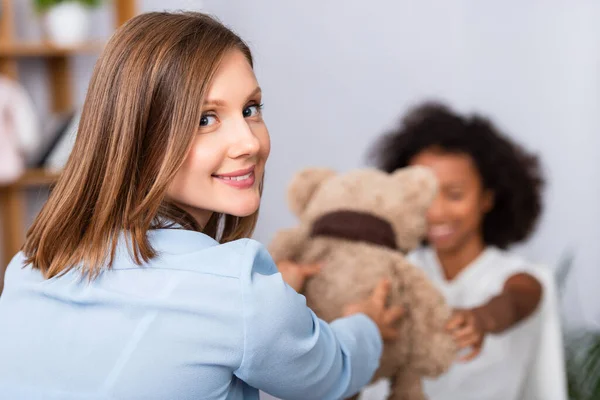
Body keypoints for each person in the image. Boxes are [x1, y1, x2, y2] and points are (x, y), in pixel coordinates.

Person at [0, 12, 403, 400]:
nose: (248, 142)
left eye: (250, 110)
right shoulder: (233, 289)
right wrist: (367, 322)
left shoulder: (28, 267)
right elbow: (333, 373)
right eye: (205, 119)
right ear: (139, 136)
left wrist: (266, 304)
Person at [365, 102, 567, 400]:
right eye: (425, 194)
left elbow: (516, 300)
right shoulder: (393, 274)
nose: (436, 211)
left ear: (487, 197)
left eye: (454, 194)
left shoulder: (523, 278)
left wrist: (482, 319)